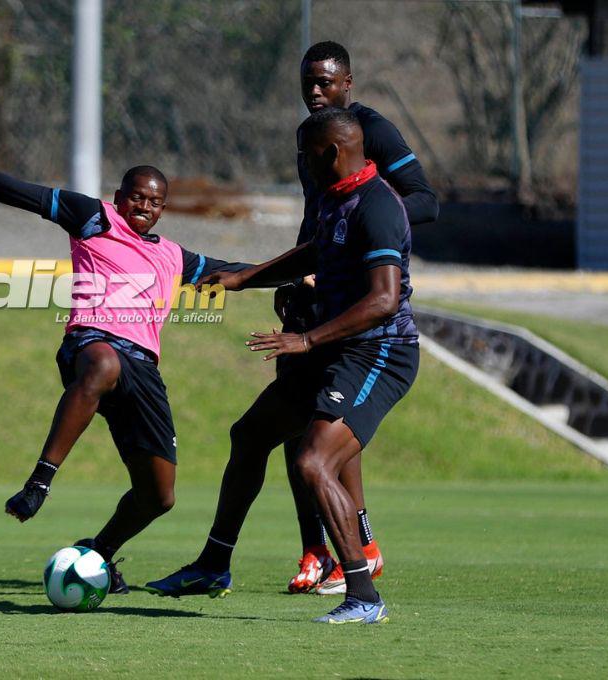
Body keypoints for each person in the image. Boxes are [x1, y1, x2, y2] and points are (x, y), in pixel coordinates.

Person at [0, 157, 248, 593]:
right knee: (105, 362)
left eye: (154, 201)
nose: (144, 206)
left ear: (163, 209)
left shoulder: (173, 256)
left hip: (143, 370)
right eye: (136, 197)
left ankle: (97, 553)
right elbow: (15, 189)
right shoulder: (94, 217)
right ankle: (40, 481)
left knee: (159, 496)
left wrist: (300, 276)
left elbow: (238, 274)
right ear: (119, 198)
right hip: (89, 345)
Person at [147, 107, 419, 624]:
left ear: (332, 152)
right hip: (334, 350)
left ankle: (364, 595)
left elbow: (384, 300)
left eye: (307, 155)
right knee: (249, 435)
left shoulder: (379, 205)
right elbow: (315, 253)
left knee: (313, 463)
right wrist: (244, 278)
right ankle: (213, 565)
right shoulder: (338, 199)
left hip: (379, 353)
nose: (303, 165)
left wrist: (307, 338)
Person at [277, 40, 438, 595]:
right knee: (300, 429)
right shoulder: (312, 141)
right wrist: (291, 277)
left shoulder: (369, 132)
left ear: (348, 83)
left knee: (316, 439)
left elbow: (424, 200)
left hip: (360, 306)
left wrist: (367, 226)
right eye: (308, 82)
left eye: (326, 82)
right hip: (316, 290)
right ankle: (316, 551)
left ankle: (358, 555)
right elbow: (318, 219)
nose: (316, 92)